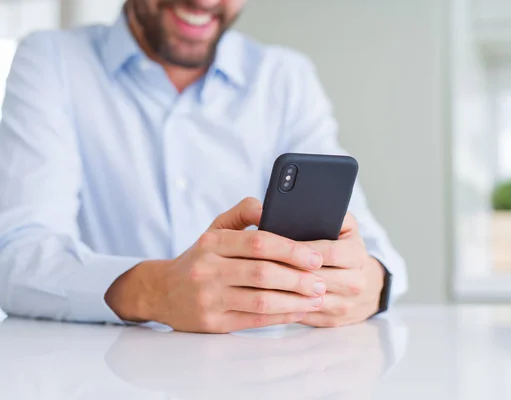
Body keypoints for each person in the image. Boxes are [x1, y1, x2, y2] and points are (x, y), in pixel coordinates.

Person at [0, 0, 406, 333]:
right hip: (104, 376)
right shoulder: (51, 61)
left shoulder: (286, 78)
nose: (206, 2)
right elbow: (16, 257)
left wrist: (368, 284)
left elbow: (378, 254)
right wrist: (156, 291)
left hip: (265, 377)